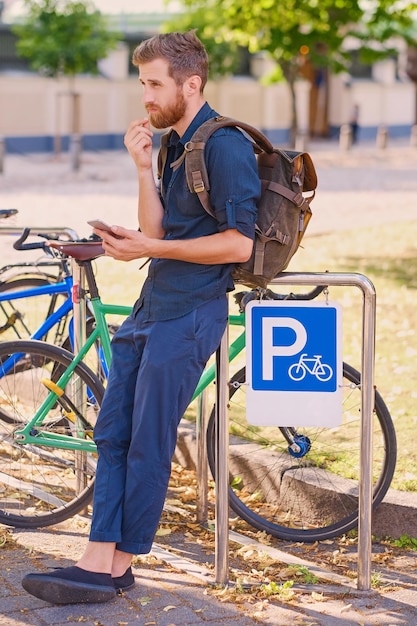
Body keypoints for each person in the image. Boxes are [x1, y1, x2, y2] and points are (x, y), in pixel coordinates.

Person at [21, 30, 260, 605]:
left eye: (155, 84)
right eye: (143, 83)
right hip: (154, 306)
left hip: (191, 314)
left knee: (148, 441)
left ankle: (113, 565)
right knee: (113, 432)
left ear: (191, 83)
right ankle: (100, 557)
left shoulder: (224, 146)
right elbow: (156, 233)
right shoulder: (174, 143)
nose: (146, 96)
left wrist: (150, 250)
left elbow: (238, 246)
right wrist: (142, 166)